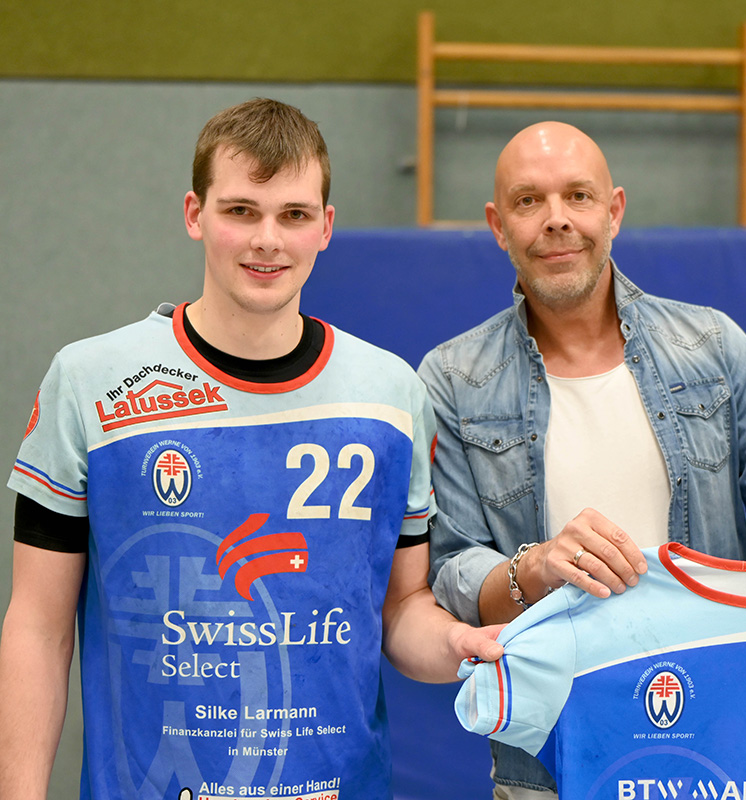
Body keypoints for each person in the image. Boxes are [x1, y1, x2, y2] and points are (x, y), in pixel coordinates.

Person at [0, 98, 501, 800]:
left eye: (293, 215)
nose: (267, 239)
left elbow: (400, 608)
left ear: (325, 227)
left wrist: (457, 646)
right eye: (241, 210)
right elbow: (38, 626)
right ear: (194, 214)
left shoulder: (391, 394)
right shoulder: (93, 383)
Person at [417, 120, 746, 798]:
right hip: (548, 761)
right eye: (529, 201)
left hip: (715, 755)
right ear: (497, 224)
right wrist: (530, 570)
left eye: (579, 197)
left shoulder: (712, 346)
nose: (557, 220)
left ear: (614, 211)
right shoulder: (451, 377)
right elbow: (448, 569)